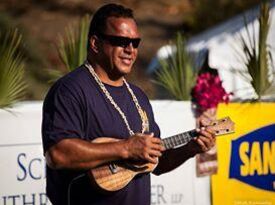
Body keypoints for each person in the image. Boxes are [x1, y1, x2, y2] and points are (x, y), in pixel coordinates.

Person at [42, 3, 215, 205]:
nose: (130, 49)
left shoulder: (138, 96)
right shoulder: (70, 90)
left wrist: (191, 148)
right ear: (95, 44)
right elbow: (58, 154)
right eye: (121, 41)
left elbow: (155, 163)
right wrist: (125, 148)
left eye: (135, 42)